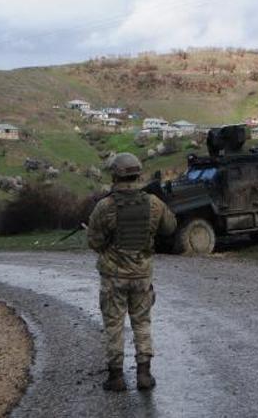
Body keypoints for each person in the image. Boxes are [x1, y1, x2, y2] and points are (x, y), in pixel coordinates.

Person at [88, 152, 177, 392]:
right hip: (141, 276)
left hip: (113, 278)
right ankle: (144, 375)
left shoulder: (104, 206)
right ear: (138, 173)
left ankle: (116, 377)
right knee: (142, 323)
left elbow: (94, 243)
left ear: (115, 175)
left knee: (114, 325)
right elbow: (170, 228)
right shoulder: (154, 203)